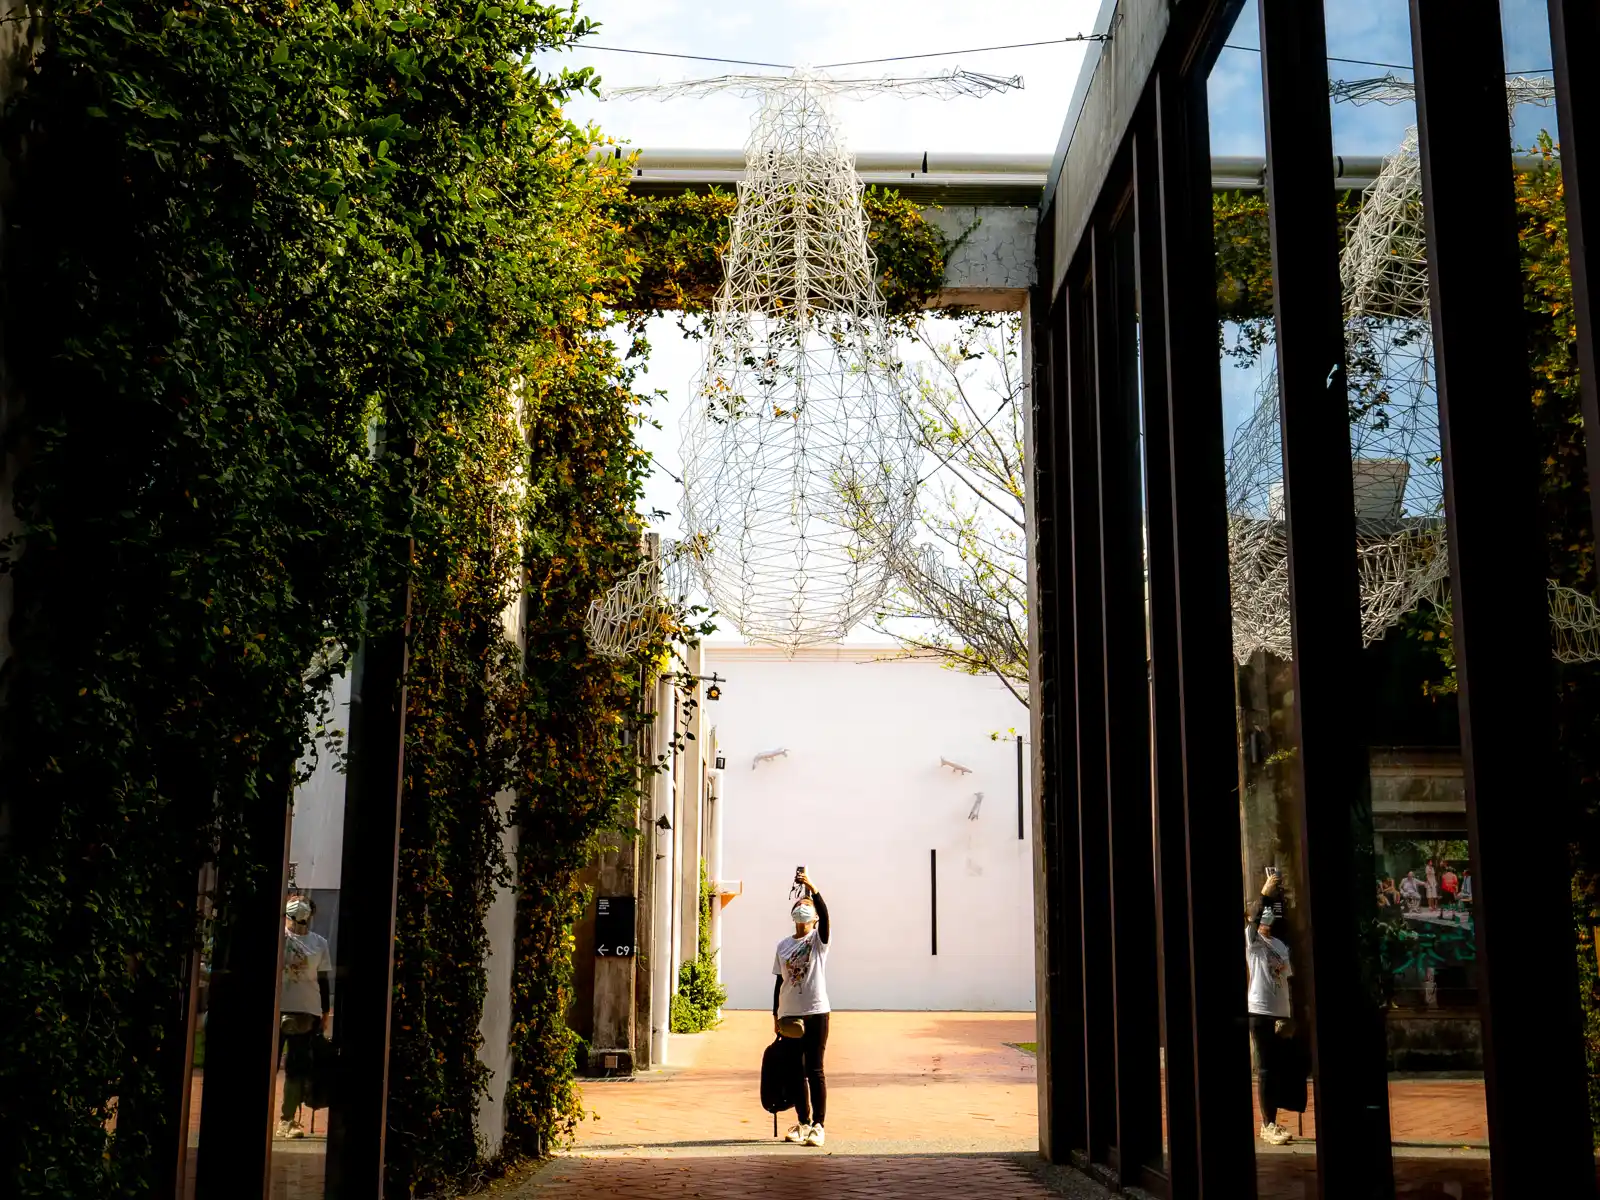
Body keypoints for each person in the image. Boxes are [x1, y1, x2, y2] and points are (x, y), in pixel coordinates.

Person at [773, 869, 831, 1148]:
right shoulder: (783, 945)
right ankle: (803, 1122)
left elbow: (827, 915)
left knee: (815, 1069)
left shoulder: (818, 942)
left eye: (808, 908)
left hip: (816, 1010)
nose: (803, 909)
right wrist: (776, 1014)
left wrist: (812, 888)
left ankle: (819, 1125)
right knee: (796, 1070)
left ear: (815, 918)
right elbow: (778, 982)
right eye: (800, 905)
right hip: (790, 1013)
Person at [1246, 870, 1295, 1147]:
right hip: (1260, 1009)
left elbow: (1288, 978)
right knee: (1265, 1069)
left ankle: (1273, 1120)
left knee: (1277, 1069)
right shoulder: (1252, 941)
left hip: (1279, 1011)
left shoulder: (1279, 943)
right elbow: (1256, 916)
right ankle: (1267, 1125)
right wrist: (1265, 894)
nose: (1266, 921)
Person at [278, 896, 332, 1139]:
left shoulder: (319, 943)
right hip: (278, 1008)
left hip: (305, 1010)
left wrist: (324, 1012)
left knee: (296, 1068)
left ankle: (287, 1119)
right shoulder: (281, 938)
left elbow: (322, 979)